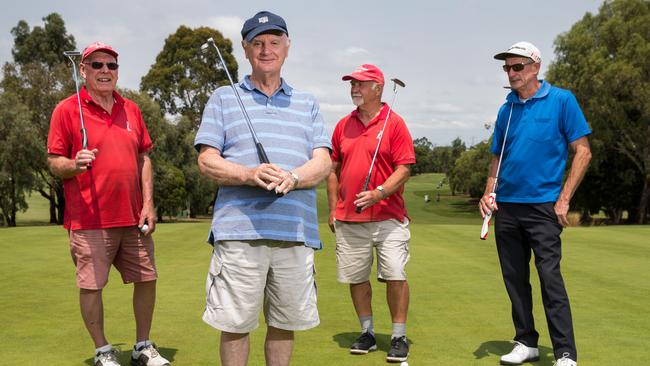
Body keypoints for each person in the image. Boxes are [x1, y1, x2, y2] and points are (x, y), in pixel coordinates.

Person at [194, 11, 331, 366]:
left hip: (294, 232)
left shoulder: (307, 102)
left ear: (287, 47)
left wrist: (294, 178)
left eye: (274, 42)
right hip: (240, 234)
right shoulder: (224, 97)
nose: (266, 50)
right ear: (245, 49)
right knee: (236, 325)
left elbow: (323, 162)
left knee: (284, 324)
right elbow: (207, 160)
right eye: (258, 43)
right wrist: (248, 173)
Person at [47, 42, 170, 366]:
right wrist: (74, 164)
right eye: (97, 65)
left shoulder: (131, 110)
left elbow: (144, 157)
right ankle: (103, 350)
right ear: (82, 70)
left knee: (147, 278)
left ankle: (142, 346)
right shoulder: (67, 110)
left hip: (132, 216)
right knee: (91, 286)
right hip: (89, 218)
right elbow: (54, 161)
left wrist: (148, 203)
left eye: (111, 66)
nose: (105, 71)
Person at [479, 41, 592, 366]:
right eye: (507, 68)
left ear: (535, 67)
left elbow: (582, 151)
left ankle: (565, 352)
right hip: (507, 208)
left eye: (517, 67)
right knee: (514, 278)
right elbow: (497, 157)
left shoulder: (561, 101)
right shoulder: (507, 109)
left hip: (543, 207)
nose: (511, 73)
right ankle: (525, 341)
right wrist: (489, 193)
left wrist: (564, 199)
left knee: (549, 277)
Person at [327, 64, 415, 363]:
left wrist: (380, 192)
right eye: (352, 83)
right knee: (356, 277)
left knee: (394, 274)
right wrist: (332, 209)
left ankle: (399, 336)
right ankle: (367, 332)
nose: (354, 88)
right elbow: (333, 170)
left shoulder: (395, 123)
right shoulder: (342, 125)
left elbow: (404, 168)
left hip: (388, 216)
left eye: (361, 84)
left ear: (378, 87)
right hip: (349, 218)